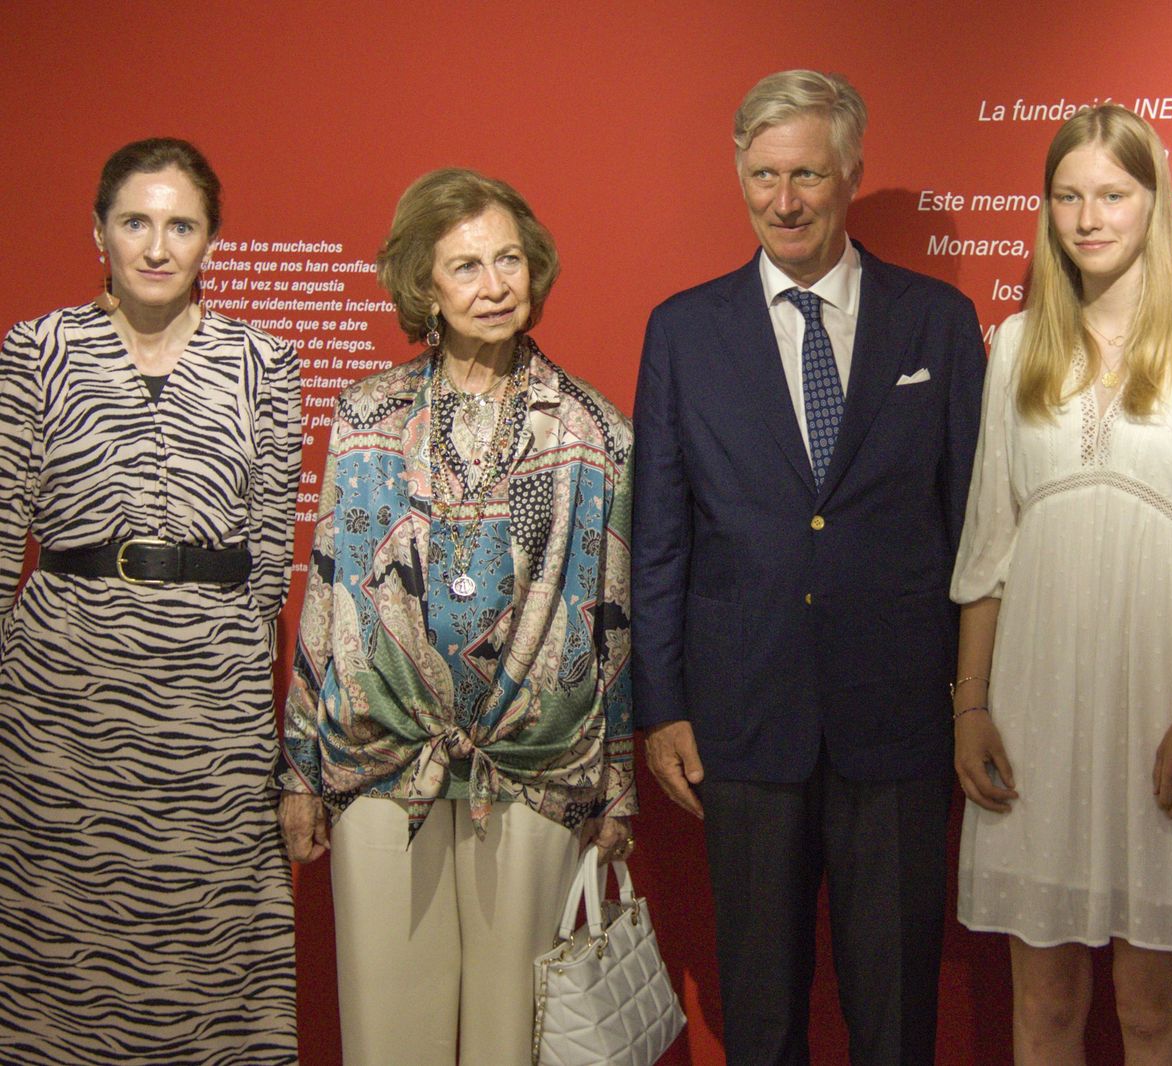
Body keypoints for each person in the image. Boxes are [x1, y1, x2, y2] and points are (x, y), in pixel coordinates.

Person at [632, 69, 987, 1065]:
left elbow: (970, 531)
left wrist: (971, 698)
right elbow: (658, 535)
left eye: (807, 176)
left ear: (849, 173)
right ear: (738, 174)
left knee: (895, 1010)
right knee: (759, 1010)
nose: (783, 201)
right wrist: (661, 707)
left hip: (900, 719)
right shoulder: (683, 331)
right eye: (763, 175)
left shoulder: (936, 324)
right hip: (742, 721)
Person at [275, 168, 635, 1066]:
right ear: (423, 287)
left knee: (515, 1041)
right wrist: (298, 769)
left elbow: (614, 612)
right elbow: (329, 588)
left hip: (536, 766)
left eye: (508, 259)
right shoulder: (366, 417)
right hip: (382, 761)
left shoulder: (595, 430)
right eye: (466, 265)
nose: (494, 284)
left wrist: (616, 780)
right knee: (390, 1040)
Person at [949, 104, 1172, 1064]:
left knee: (1152, 1005)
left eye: (1113, 195)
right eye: (1068, 196)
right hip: (1037, 701)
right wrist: (971, 707)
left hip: (1163, 694)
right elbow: (987, 544)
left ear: (1152, 201)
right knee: (1041, 1004)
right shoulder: (1013, 345)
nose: (1089, 218)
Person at [0, 138, 300, 1064]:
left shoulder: (264, 362)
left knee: (208, 923)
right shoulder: (36, 350)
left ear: (211, 240)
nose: (158, 246)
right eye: (136, 222)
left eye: (182, 225)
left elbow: (270, 549)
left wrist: (244, 687)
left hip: (210, 692)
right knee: (57, 931)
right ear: (99, 233)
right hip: (60, 689)